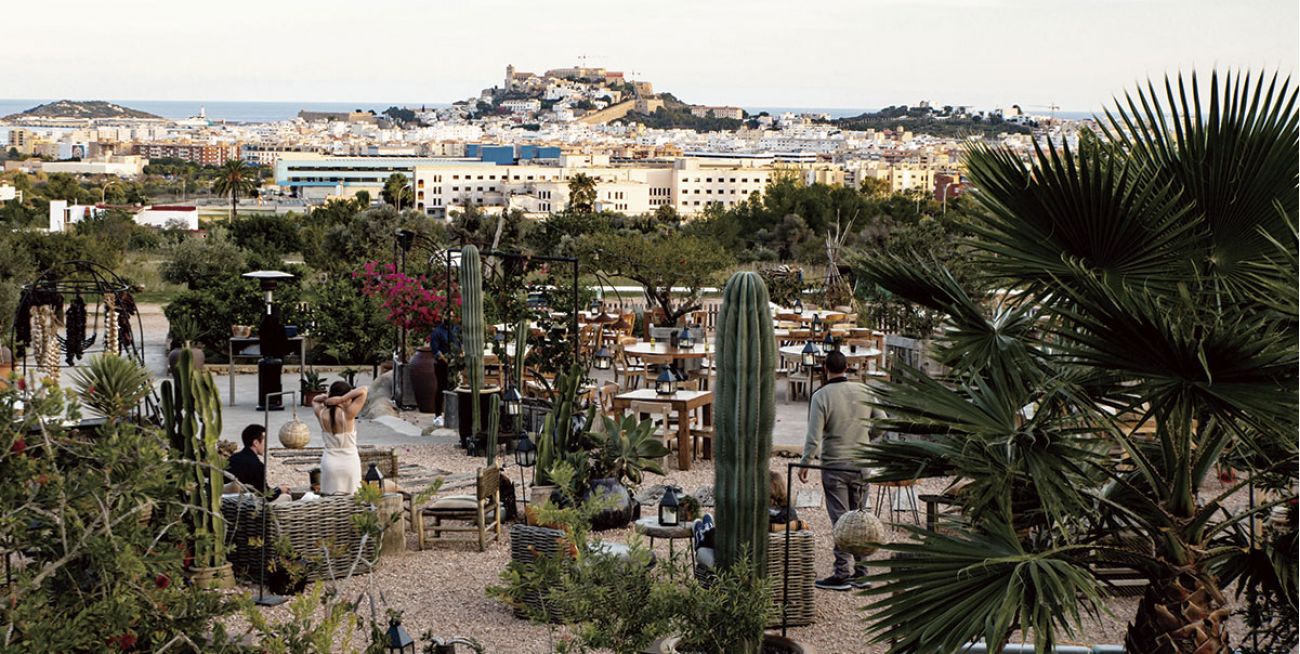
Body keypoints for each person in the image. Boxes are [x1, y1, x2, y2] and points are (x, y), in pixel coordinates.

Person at [797, 350, 886, 591]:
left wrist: (806, 462)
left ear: (826, 369)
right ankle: (862, 572)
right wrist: (869, 438)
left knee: (840, 519)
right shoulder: (865, 391)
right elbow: (882, 421)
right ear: (848, 367)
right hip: (862, 463)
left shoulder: (821, 396)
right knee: (859, 516)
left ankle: (842, 574)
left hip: (835, 463)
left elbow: (813, 436)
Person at [312, 381, 367, 494]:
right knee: (353, 500)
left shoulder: (321, 413)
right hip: (350, 461)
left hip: (329, 462)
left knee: (329, 501)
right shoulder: (348, 413)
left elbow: (314, 400)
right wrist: (342, 399)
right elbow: (364, 390)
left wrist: (327, 398)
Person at [226, 424, 290, 498]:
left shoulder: (232, 458)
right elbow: (265, 495)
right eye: (264, 441)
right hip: (249, 504)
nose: (266, 445)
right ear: (256, 443)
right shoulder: (257, 465)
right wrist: (280, 490)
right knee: (287, 497)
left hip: (227, 501)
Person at [429, 320, 459, 426]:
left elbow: (460, 343)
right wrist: (446, 360)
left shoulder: (456, 329)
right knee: (441, 387)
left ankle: (454, 414)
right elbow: (435, 350)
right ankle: (438, 415)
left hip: (455, 364)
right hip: (442, 364)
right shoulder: (437, 332)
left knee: (455, 387)